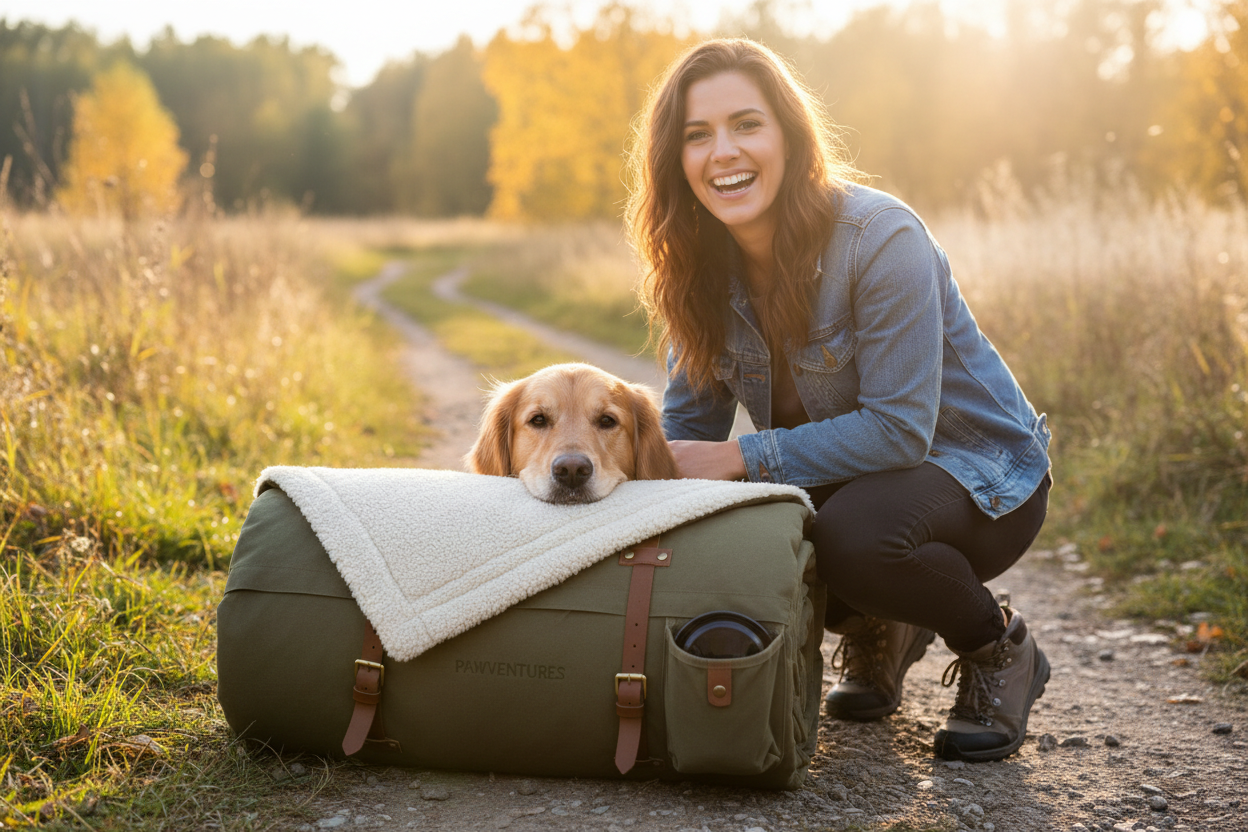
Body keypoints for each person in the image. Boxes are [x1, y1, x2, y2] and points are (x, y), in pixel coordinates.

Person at [625, 38, 1053, 762]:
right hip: (864, 482)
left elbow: (899, 432)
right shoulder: (696, 269)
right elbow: (683, 440)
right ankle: (879, 627)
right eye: (697, 135)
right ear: (676, 159)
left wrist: (737, 456)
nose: (722, 151)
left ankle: (998, 649)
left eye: (746, 124)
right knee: (763, 526)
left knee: (847, 536)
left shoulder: (879, 237)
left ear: (790, 135)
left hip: (987, 480)